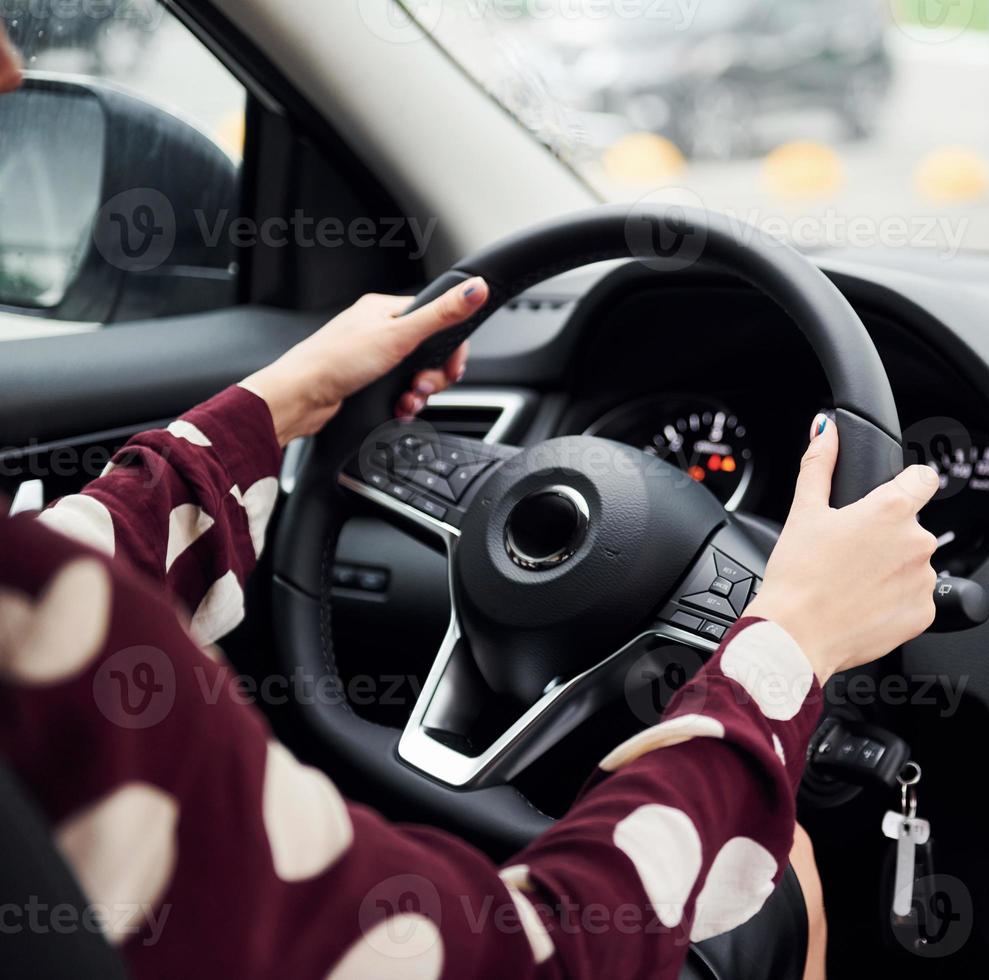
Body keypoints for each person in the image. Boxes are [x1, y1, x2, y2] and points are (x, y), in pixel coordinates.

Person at [0, 27, 940, 979]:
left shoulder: (34, 607)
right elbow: (528, 958)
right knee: (772, 879)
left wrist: (279, 403)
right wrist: (790, 642)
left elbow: (55, 582)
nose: (9, 67)